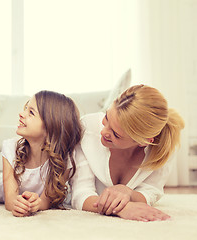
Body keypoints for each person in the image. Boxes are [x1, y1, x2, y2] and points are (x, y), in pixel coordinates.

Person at [71, 84, 185, 222]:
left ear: (143, 142)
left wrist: (128, 192)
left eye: (116, 134)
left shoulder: (163, 148)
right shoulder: (86, 130)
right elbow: (80, 193)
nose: (103, 131)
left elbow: (151, 191)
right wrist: (122, 209)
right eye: (107, 118)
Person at [0, 90, 83, 217]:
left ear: (51, 127)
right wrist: (18, 204)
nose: (21, 114)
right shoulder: (11, 148)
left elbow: (46, 200)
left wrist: (35, 205)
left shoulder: (64, 159)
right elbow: (10, 200)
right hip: (0, 194)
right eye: (25, 108)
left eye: (31, 112)